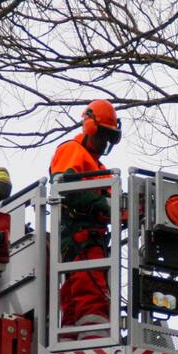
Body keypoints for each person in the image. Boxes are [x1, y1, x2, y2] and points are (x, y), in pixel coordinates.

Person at [49, 100, 121, 340]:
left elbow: (114, 205)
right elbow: (65, 187)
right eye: (104, 136)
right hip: (80, 236)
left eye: (110, 138)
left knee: (73, 296)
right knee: (90, 290)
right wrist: (103, 204)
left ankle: (70, 338)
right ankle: (94, 340)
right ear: (90, 128)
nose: (105, 143)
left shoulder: (100, 168)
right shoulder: (73, 150)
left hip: (87, 239)